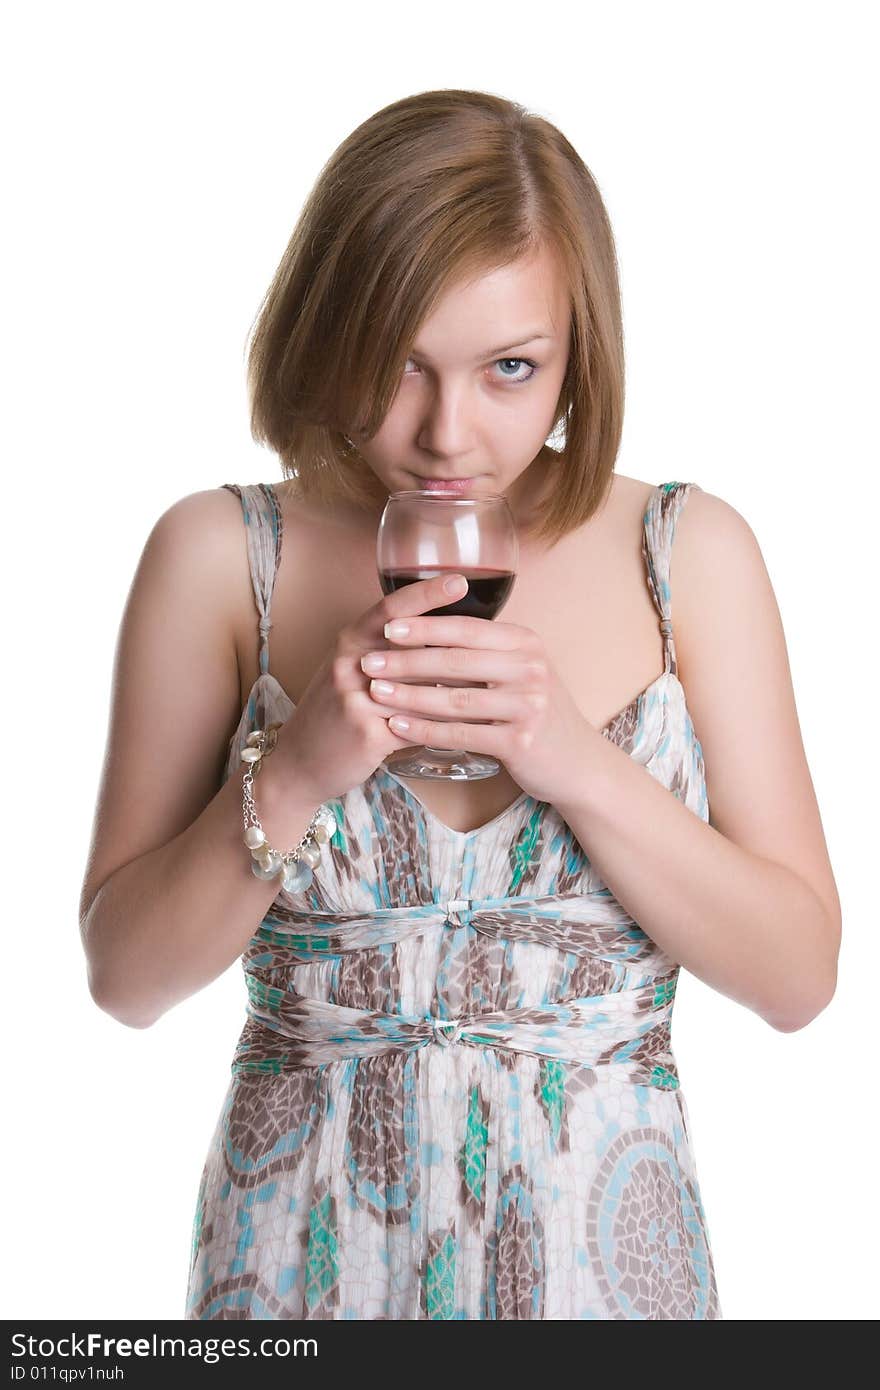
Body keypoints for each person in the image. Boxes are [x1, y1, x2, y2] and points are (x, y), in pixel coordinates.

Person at [78, 88, 842, 1321]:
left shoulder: (683, 555)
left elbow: (799, 977)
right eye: (398, 365)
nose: (447, 434)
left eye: (509, 369)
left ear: (577, 354)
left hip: (604, 1279)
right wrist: (301, 764)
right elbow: (124, 977)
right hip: (294, 1272)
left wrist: (575, 761)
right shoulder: (225, 557)